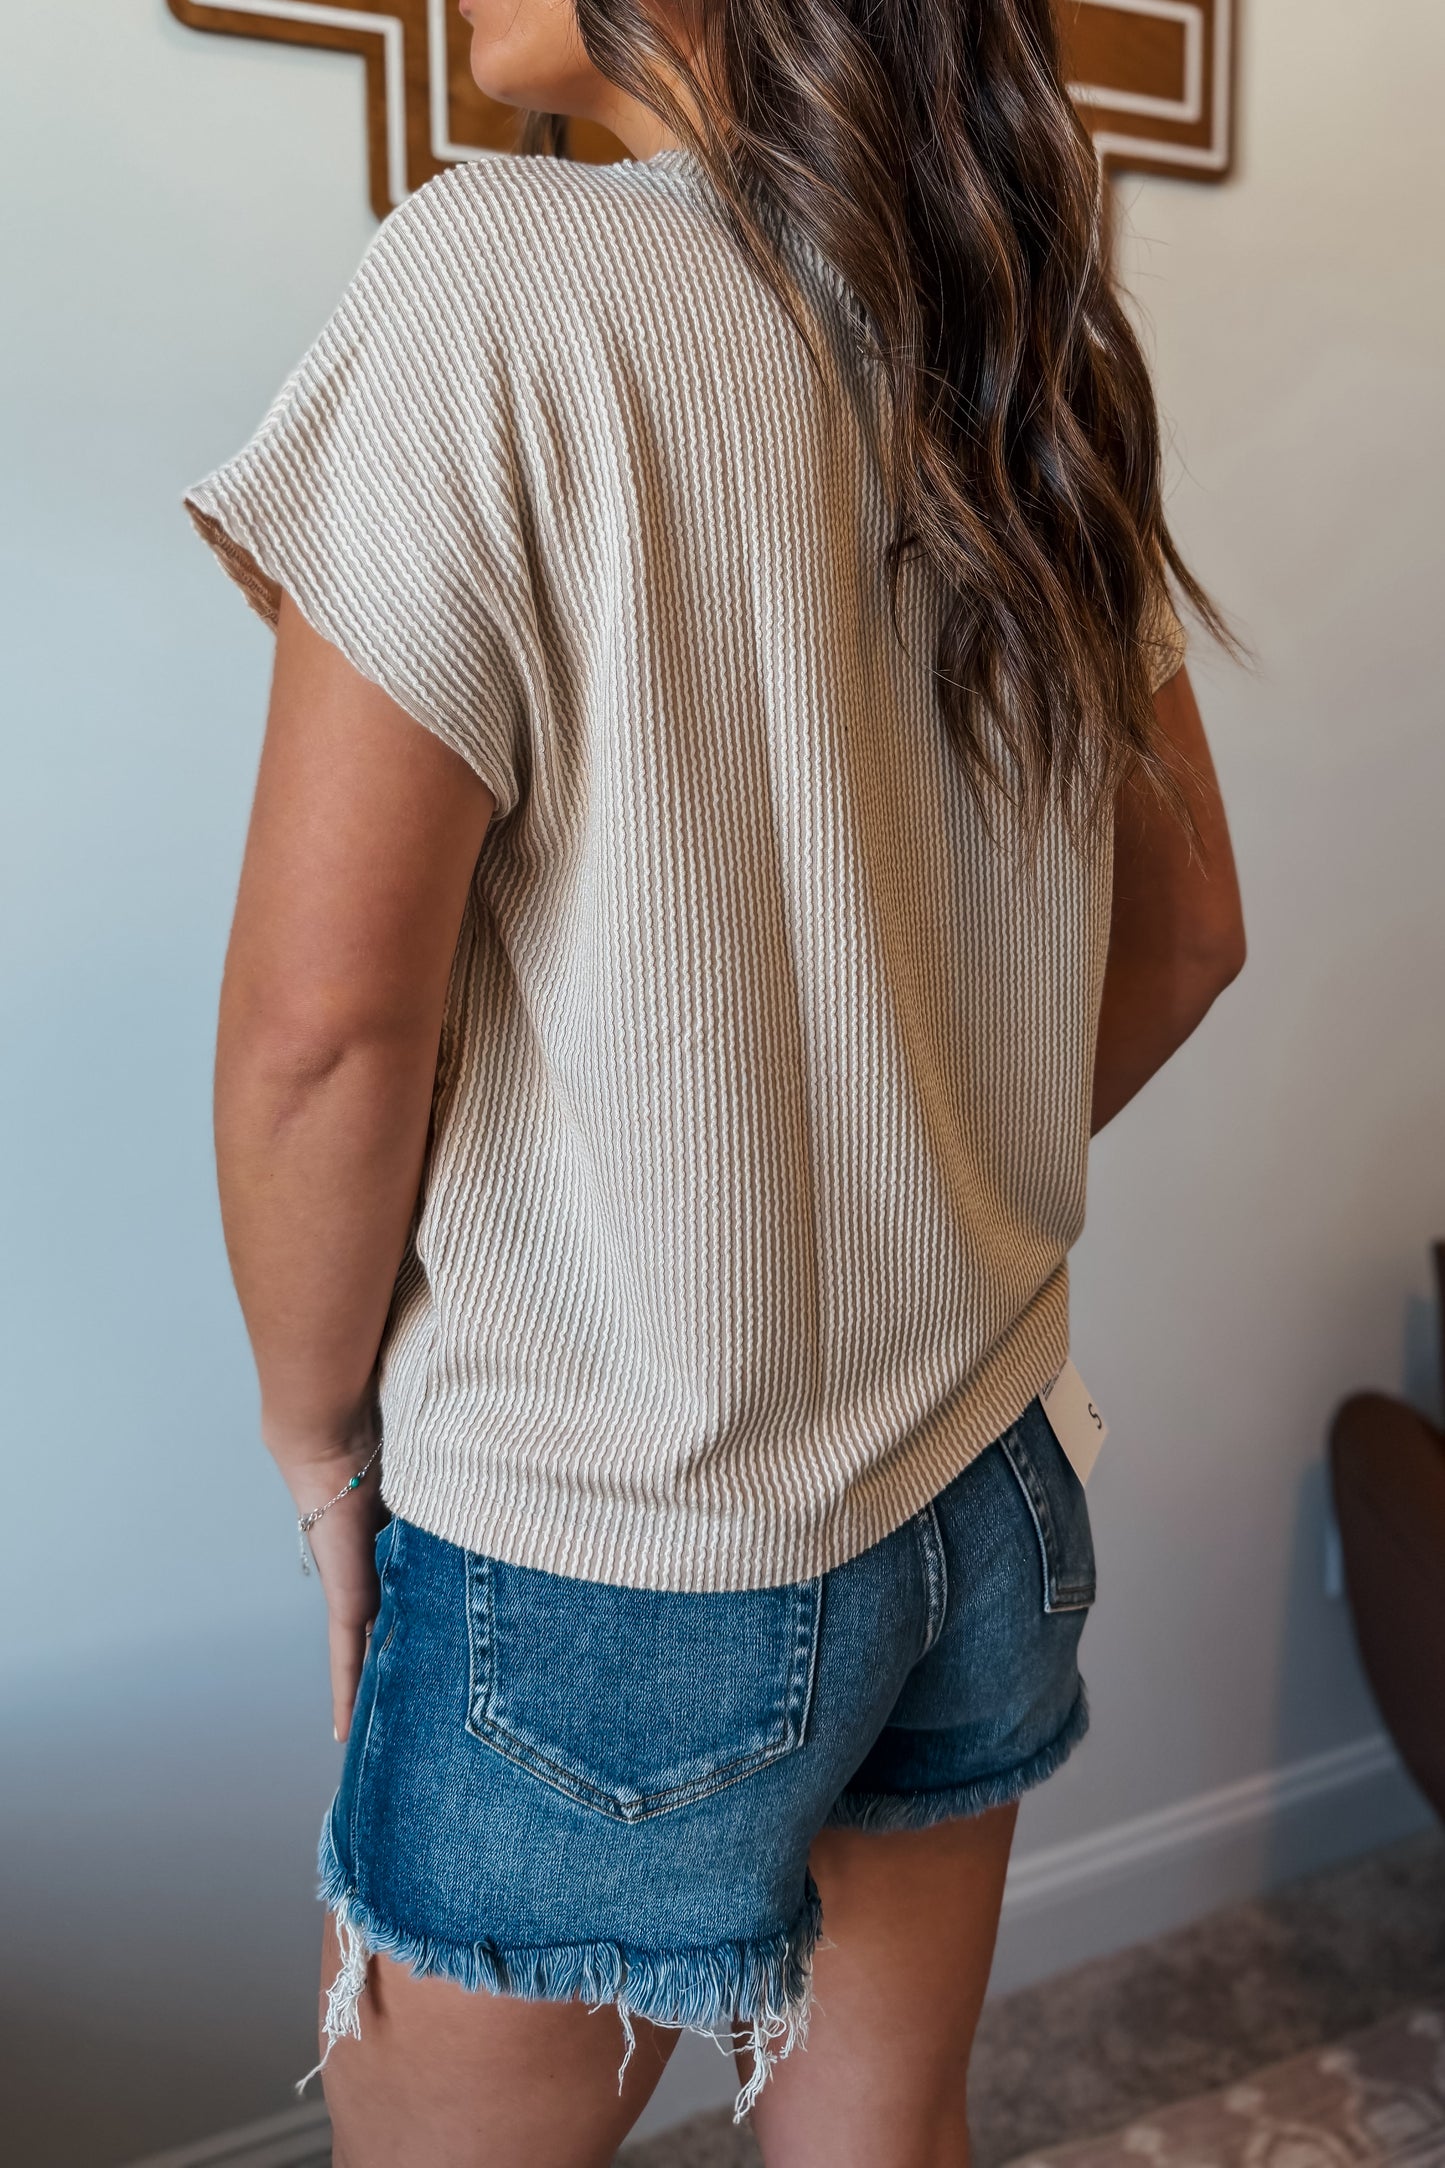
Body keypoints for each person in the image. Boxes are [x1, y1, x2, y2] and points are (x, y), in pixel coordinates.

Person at [187, 0, 1246, 2157]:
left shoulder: (496, 280)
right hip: (986, 1472)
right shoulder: (1032, 348)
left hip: (611, 1551)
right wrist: (912, 1198)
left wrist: (319, 1449)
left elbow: (323, 1036)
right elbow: (1190, 931)